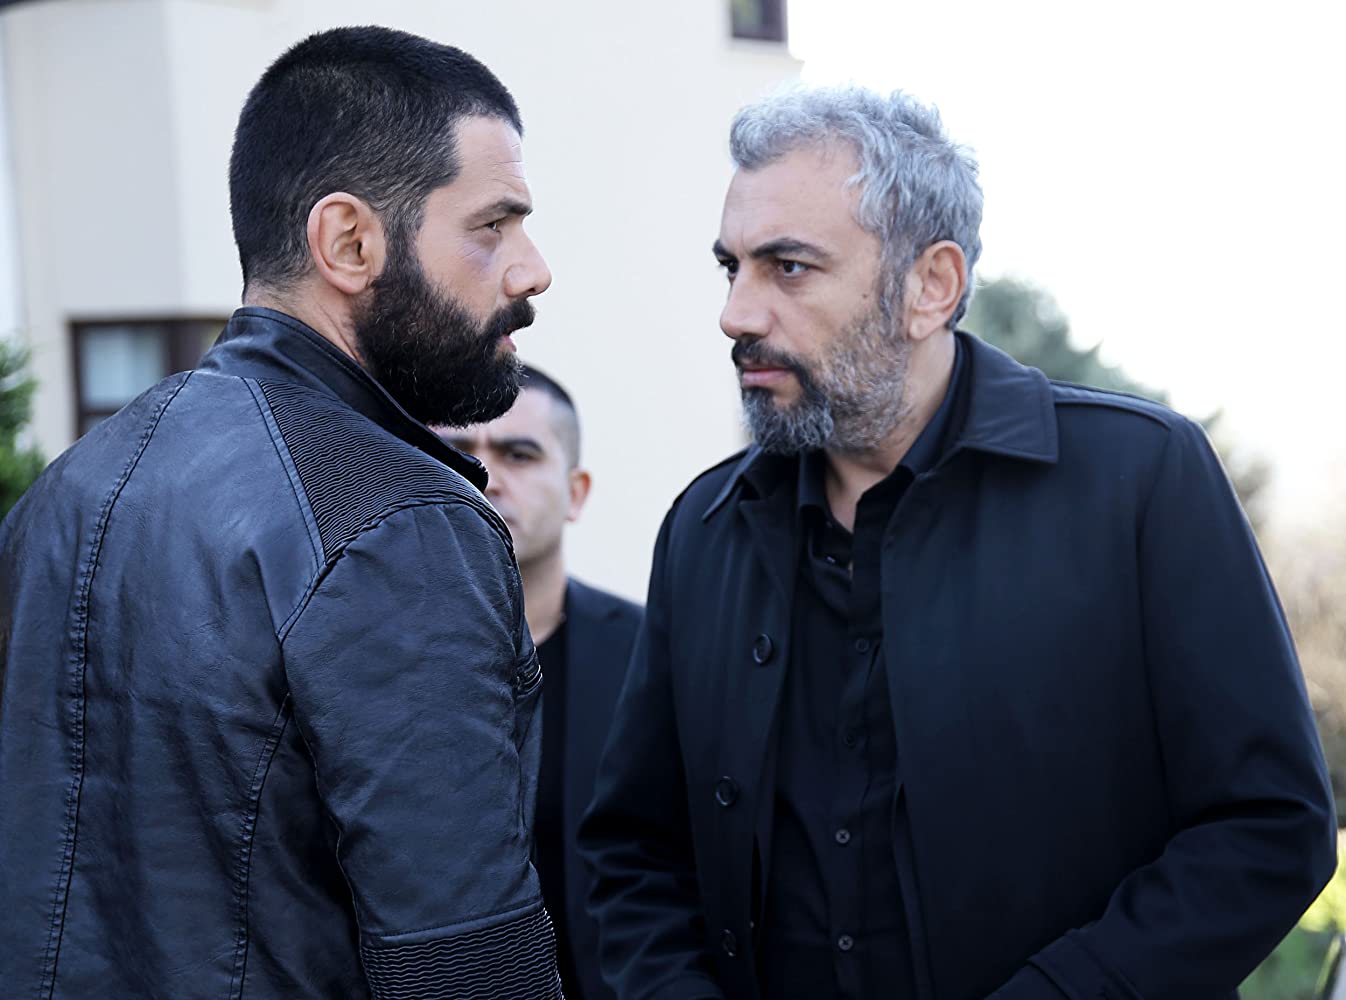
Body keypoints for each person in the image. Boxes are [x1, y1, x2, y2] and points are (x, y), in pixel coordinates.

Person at [579, 86, 1337, 1000]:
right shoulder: (705, 528)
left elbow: (1269, 828)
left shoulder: (1139, 478)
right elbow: (634, 857)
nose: (737, 313)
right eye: (730, 267)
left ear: (931, 286)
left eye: (788, 267)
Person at [0, 26, 562, 999]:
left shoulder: (69, 487)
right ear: (348, 242)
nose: (532, 269)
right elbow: (464, 964)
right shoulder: (400, 523)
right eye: (492, 226)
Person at [441, 364, 642, 1000]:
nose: (486, 475)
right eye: (459, 450)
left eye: (519, 454)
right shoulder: (365, 656)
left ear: (576, 492)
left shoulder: (649, 655)